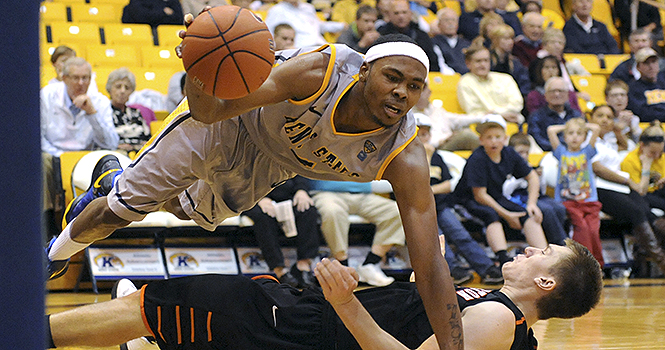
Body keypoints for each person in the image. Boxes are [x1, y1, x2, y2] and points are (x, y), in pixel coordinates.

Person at [45, 30, 464, 349]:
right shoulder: (315, 72)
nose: (402, 93)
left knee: (187, 212)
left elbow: (428, 267)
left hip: (273, 163)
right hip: (230, 121)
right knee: (121, 210)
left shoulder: (404, 155)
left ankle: (115, 179)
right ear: (363, 71)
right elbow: (212, 111)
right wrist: (200, 63)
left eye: (414, 87)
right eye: (393, 78)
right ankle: (52, 255)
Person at [45, 239, 603, 350]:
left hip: (304, 330)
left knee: (152, 308)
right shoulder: (504, 313)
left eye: (543, 254)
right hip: (304, 318)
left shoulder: (500, 320)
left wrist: (346, 302)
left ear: (547, 284)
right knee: (164, 311)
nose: (530, 251)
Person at [448, 115, 548, 267]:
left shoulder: (509, 153)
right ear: (481, 140)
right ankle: (503, 260)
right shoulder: (477, 158)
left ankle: (544, 258)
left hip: (494, 196)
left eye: (497, 137)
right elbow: (480, 195)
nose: (493, 141)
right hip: (466, 200)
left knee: (526, 214)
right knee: (491, 215)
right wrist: (507, 215)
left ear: (505, 138)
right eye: (489, 137)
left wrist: (532, 204)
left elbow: (532, 177)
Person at [416, 114, 504, 284]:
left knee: (461, 235)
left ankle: (487, 269)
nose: (421, 138)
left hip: (441, 206)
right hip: (418, 210)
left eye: (425, 134)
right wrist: (426, 160)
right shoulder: (403, 159)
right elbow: (415, 188)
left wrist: (429, 191)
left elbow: (448, 185)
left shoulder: (437, 157)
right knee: (437, 240)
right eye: (417, 134)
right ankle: (453, 269)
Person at [586, 105, 665, 273]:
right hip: (599, 187)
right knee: (636, 212)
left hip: (618, 187)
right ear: (591, 119)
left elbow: (625, 145)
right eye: (600, 116)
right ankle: (660, 260)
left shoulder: (609, 140)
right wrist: (627, 181)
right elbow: (596, 167)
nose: (605, 120)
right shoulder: (587, 139)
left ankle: (651, 257)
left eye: (609, 116)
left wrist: (617, 130)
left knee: (645, 209)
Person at [308, 179, 405, 287]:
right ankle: (342, 266)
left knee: (397, 211)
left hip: (362, 195)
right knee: (333, 212)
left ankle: (370, 264)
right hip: (326, 193)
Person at [242, 175, 320, 289]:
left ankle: (303, 266)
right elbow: (243, 177)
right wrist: (260, 197)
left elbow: (300, 171)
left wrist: (301, 191)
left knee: (308, 210)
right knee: (263, 216)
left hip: (288, 195)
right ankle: (279, 270)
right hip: (253, 198)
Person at [547, 118, 604, 265]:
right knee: (582, 228)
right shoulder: (561, 152)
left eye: (579, 133)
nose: (574, 137)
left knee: (593, 231)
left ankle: (597, 264)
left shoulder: (587, 152)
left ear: (585, 137)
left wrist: (582, 126)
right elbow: (551, 130)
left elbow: (596, 128)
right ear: (564, 137)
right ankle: (582, 262)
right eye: (570, 133)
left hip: (589, 200)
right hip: (569, 201)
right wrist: (566, 126)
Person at [41, 57, 118, 157]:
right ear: (64, 78)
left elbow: (111, 144)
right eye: (76, 78)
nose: (81, 83)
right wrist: (60, 156)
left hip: (86, 157)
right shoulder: (47, 96)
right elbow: (38, 138)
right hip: (53, 154)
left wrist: (92, 113)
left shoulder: (100, 101)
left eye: (85, 78)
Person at [506, 133, 568, 245]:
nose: (524, 156)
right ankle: (560, 243)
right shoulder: (508, 166)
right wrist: (524, 179)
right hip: (520, 197)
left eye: (526, 152)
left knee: (559, 208)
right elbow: (506, 190)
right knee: (546, 210)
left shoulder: (530, 165)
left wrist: (539, 178)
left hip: (538, 196)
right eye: (520, 152)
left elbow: (542, 190)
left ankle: (554, 241)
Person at [457, 39, 525, 124]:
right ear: (468, 64)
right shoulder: (465, 82)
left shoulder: (506, 79)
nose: (483, 64)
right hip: (483, 125)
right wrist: (500, 115)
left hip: (512, 122)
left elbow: (517, 104)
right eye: (478, 61)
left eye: (486, 60)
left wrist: (495, 113)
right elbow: (474, 113)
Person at [411, 83, 483, 151]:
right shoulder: (408, 113)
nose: (420, 94)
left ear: (429, 92)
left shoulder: (437, 110)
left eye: (423, 90)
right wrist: (443, 140)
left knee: (476, 134)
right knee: (467, 135)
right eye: (416, 90)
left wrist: (484, 116)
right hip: (432, 148)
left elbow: (460, 119)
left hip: (447, 145)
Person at [377, 0, 440, 72]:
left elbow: (433, 63)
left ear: (410, 14)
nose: (401, 16)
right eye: (396, 13)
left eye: (404, 12)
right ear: (389, 15)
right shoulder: (380, 35)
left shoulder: (422, 36)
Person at [106, 68, 153, 156]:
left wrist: (133, 147)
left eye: (127, 88)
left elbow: (148, 139)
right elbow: (103, 141)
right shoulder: (104, 113)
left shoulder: (136, 113)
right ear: (110, 89)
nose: (122, 91)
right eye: (118, 87)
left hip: (139, 155)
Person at [528, 77, 582, 151]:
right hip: (548, 154)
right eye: (552, 91)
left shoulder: (576, 115)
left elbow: (584, 135)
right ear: (545, 95)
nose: (557, 94)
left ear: (567, 95)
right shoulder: (536, 116)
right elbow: (537, 139)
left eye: (561, 91)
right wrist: (560, 149)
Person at [621, 122, 665, 212]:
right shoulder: (630, 160)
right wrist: (646, 167)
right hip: (643, 196)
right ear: (642, 145)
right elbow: (640, 192)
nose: (657, 156)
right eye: (652, 152)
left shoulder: (662, 156)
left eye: (659, 152)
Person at [265, 0, 346, 48]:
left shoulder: (308, 8)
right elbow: (267, 35)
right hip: (300, 49)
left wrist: (341, 26)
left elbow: (318, 25)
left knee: (344, 51)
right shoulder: (276, 10)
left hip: (321, 45)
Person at [488, 24, 531, 96]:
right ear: (495, 40)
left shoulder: (515, 62)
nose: (511, 42)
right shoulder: (487, 60)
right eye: (506, 39)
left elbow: (524, 84)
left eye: (512, 38)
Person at [627, 47, 665, 123]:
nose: (651, 66)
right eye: (646, 63)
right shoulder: (633, 88)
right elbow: (643, 114)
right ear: (638, 67)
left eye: (654, 62)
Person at [430, 8, 471, 74]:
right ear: (439, 24)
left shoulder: (467, 44)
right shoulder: (432, 43)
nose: (450, 23)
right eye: (446, 20)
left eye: (453, 20)